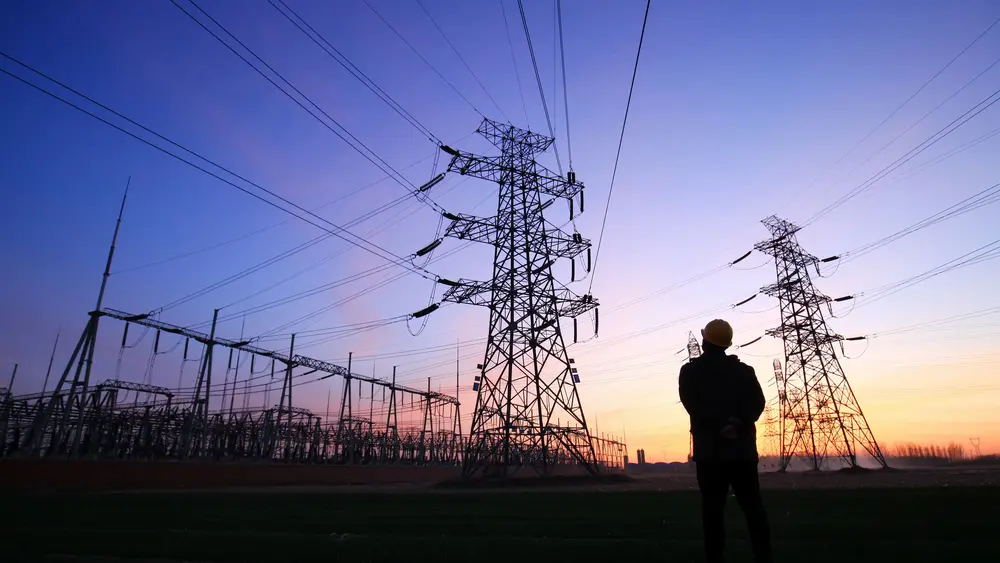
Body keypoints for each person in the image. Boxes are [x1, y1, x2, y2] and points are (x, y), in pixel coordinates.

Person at [679, 319, 772, 563]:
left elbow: (694, 407)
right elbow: (757, 404)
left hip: (710, 455)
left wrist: (719, 427)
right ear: (727, 344)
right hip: (742, 452)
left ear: (705, 341)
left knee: (712, 512)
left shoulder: (690, 372)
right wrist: (737, 424)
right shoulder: (744, 372)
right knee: (753, 509)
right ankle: (764, 557)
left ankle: (715, 559)